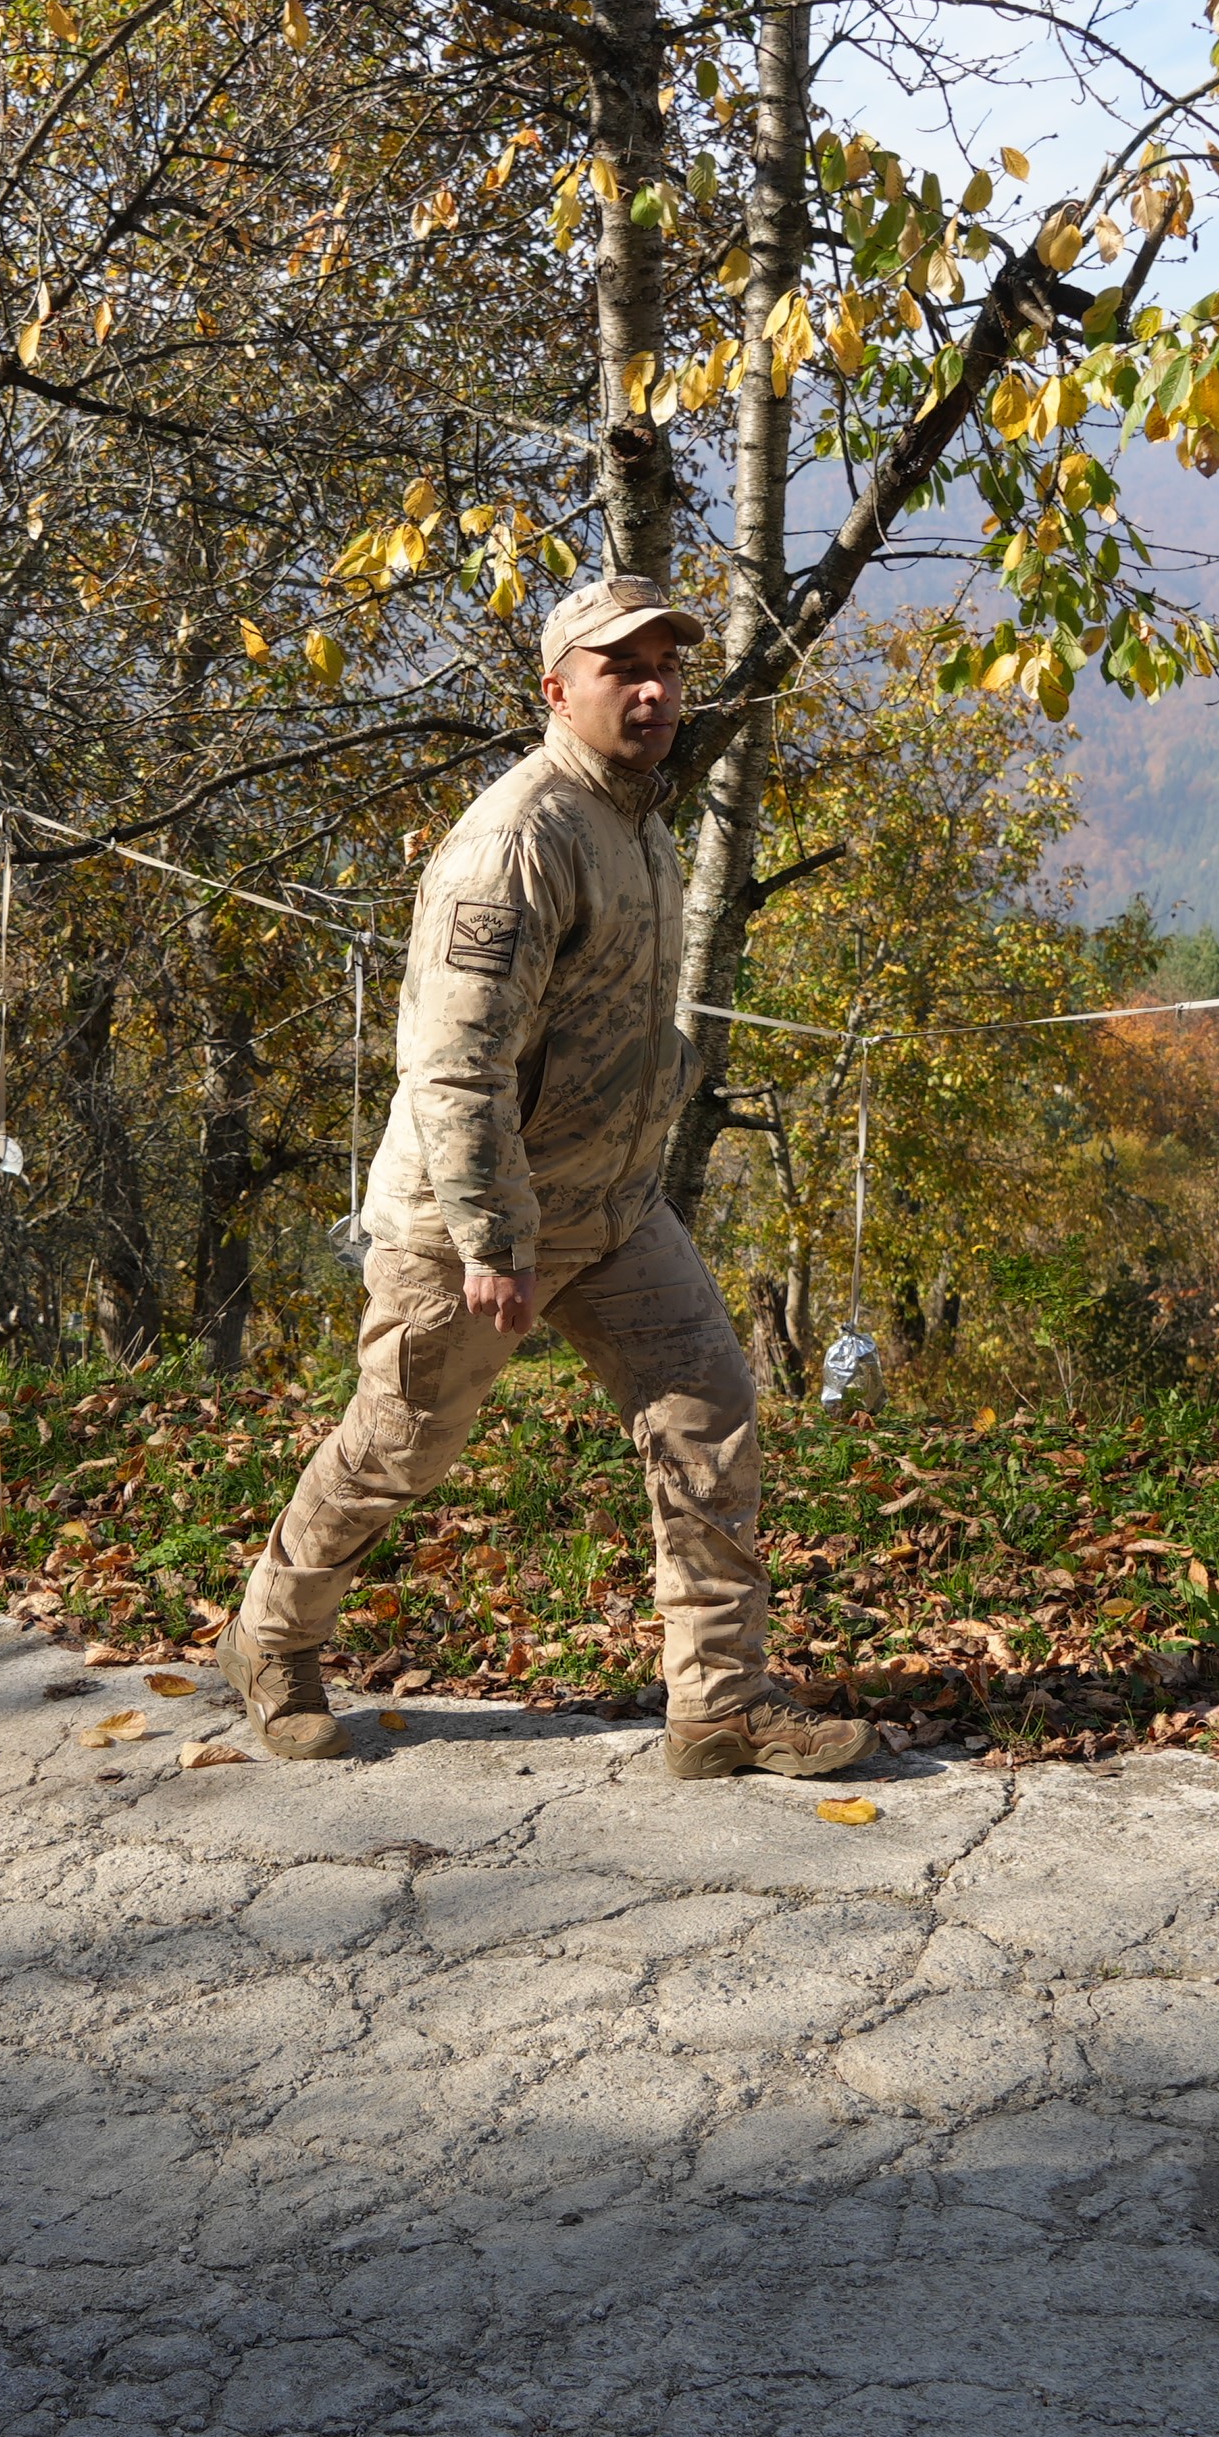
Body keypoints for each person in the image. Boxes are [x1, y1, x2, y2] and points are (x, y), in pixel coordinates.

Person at [217, 576, 875, 1782]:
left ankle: (718, 1708)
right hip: (474, 1222)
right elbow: (453, 1065)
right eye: (624, 668)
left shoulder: (638, 818)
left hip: (612, 1208)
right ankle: (271, 1640)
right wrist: (490, 1238)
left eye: (669, 666)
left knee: (707, 1405)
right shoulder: (519, 840)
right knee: (400, 1444)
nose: (656, 688)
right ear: (555, 690)